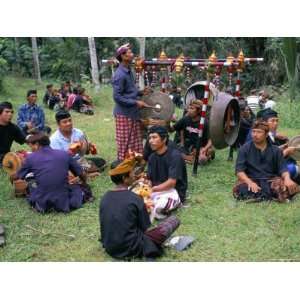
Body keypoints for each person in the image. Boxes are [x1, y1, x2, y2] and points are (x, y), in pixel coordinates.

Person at [100, 158, 180, 260]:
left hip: (110, 247)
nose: (134, 175)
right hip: (131, 248)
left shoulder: (105, 197)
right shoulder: (135, 198)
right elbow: (145, 227)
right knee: (174, 221)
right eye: (132, 172)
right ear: (125, 178)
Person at [12, 132, 92, 213]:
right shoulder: (64, 154)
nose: (31, 149)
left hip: (42, 204)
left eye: (31, 146)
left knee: (31, 182)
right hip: (63, 201)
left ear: (37, 144)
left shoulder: (30, 158)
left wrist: (11, 175)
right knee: (77, 188)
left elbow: (16, 176)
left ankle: (40, 202)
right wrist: (84, 184)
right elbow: (82, 174)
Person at [233, 121, 299, 202]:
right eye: (253, 131)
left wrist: (287, 179)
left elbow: (283, 169)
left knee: (287, 187)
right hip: (252, 179)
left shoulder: (275, 150)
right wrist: (250, 182)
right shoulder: (244, 149)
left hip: (270, 180)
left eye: (259, 132)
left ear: (266, 134)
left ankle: (263, 196)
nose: (255, 135)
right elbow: (239, 171)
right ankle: (271, 196)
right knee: (242, 189)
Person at [112, 43, 150, 160]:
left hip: (132, 113)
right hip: (124, 114)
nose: (132, 54)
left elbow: (129, 92)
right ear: (123, 56)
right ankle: (122, 168)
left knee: (134, 142)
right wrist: (135, 102)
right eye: (129, 52)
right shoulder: (120, 74)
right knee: (125, 143)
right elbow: (117, 97)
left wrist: (141, 92)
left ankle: (134, 163)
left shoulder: (129, 71)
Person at [147, 126, 188, 219]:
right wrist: (146, 186)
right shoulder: (152, 157)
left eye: (154, 137)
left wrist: (153, 190)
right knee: (132, 193)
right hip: (156, 191)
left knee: (158, 209)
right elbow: (150, 178)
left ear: (164, 139)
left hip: (172, 192)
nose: (150, 141)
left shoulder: (175, 156)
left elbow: (171, 183)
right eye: (150, 138)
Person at [171, 99, 214, 164]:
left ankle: (206, 154)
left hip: (200, 147)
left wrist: (204, 149)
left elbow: (211, 140)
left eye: (192, 108)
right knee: (172, 152)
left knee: (202, 159)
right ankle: (190, 158)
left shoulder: (205, 123)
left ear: (199, 111)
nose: (189, 110)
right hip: (187, 147)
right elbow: (171, 130)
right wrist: (168, 120)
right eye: (189, 108)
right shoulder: (185, 119)